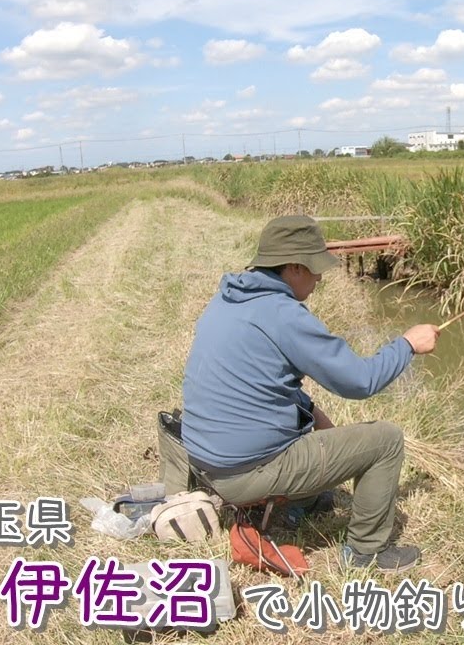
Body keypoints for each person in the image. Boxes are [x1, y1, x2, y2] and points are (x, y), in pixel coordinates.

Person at [180, 215, 439, 572]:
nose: (319, 278)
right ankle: (368, 552)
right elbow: (359, 381)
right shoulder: (283, 314)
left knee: (310, 415)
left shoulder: (229, 299)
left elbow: (265, 380)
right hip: (243, 473)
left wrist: (313, 413)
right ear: (295, 268)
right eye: (315, 269)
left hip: (206, 462)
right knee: (386, 440)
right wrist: (408, 345)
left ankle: (300, 499)